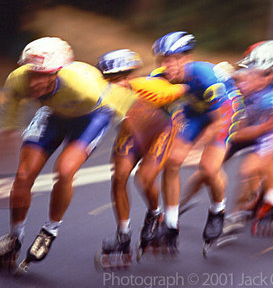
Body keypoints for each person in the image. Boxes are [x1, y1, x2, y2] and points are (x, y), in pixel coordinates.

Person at [0, 37, 165, 272]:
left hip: (91, 116)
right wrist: (7, 140)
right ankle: (14, 236)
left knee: (65, 171)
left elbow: (128, 110)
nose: (34, 82)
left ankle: (50, 230)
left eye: (42, 75)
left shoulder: (83, 84)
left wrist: (149, 140)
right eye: (31, 73)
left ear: (56, 73)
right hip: (53, 114)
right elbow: (10, 117)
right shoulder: (18, 80)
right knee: (24, 175)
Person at [94, 49, 187, 266]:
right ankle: (123, 234)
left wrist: (185, 87)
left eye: (124, 77)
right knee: (119, 177)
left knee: (144, 178)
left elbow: (177, 90)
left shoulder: (150, 87)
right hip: (132, 132)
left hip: (160, 131)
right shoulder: (101, 92)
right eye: (113, 79)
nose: (120, 83)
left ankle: (155, 214)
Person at [151, 31, 239, 252]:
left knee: (208, 169)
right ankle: (171, 224)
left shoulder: (205, 76)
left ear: (186, 60)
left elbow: (218, 122)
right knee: (171, 161)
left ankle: (218, 210)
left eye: (172, 60)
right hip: (195, 111)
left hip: (223, 112)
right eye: (163, 60)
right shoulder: (160, 76)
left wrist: (199, 147)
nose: (166, 65)